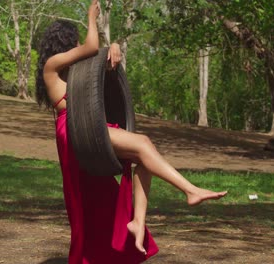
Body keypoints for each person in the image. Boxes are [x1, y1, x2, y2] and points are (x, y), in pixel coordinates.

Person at [35, 1, 228, 263]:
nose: (79, 44)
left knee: (143, 160)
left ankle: (137, 222)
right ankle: (190, 190)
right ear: (66, 41)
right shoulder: (52, 66)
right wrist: (92, 18)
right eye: (76, 40)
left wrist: (113, 48)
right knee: (143, 145)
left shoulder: (76, 69)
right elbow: (92, 48)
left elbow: (99, 59)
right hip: (74, 130)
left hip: (86, 126)